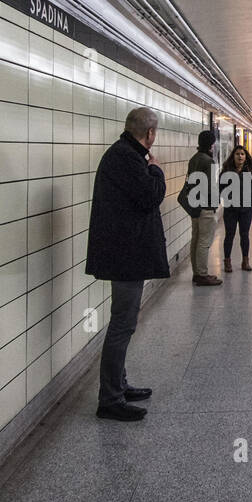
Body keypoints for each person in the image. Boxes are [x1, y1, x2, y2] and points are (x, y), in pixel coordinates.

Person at [85, 107, 168, 421]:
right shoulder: (126, 158)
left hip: (125, 254)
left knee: (124, 323)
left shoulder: (124, 155)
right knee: (122, 325)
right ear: (149, 134)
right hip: (124, 257)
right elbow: (149, 196)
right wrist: (157, 171)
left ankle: (119, 384)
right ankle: (110, 399)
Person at [185, 129, 222, 285]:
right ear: (211, 144)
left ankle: (197, 272)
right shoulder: (208, 160)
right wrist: (214, 204)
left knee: (196, 239)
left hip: (194, 205)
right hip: (205, 206)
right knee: (204, 241)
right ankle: (201, 274)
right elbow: (210, 186)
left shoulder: (194, 158)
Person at [219, 145, 252, 272]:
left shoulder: (250, 170)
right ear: (233, 156)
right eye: (237, 154)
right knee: (229, 235)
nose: (240, 156)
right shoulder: (227, 171)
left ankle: (245, 261)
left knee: (244, 235)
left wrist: (250, 198)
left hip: (245, 209)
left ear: (246, 157)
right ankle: (227, 261)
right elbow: (221, 187)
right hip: (231, 209)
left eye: (242, 154)